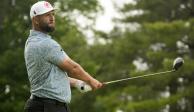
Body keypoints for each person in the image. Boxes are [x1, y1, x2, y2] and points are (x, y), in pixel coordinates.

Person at [24, 1, 103, 112]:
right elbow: (73, 68)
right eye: (47, 15)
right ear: (35, 20)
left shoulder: (32, 41)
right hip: (48, 107)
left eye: (52, 14)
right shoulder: (45, 44)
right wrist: (91, 81)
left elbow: (51, 77)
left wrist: (77, 83)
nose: (52, 18)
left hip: (43, 106)